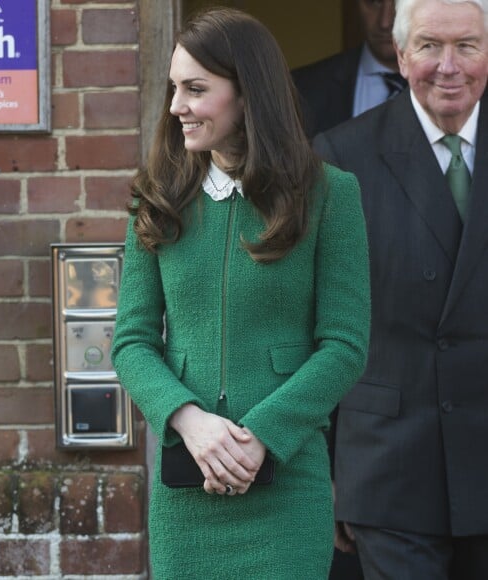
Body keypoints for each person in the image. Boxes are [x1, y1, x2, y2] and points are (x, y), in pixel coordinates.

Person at [110, 8, 370, 579]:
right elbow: (130, 341)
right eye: (174, 87)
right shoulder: (156, 198)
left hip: (287, 485)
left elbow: (345, 344)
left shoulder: (331, 196)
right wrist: (189, 421)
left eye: (196, 89)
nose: (177, 105)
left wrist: (262, 437)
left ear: (248, 94)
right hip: (186, 486)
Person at [314, 0, 488, 578]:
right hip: (388, 466)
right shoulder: (341, 156)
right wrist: (328, 464)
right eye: (430, 46)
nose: (449, 66)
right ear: (400, 51)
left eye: (467, 46)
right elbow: (317, 322)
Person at [292, 0, 404, 137]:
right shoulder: (299, 89)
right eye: (373, 2)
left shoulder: (437, 87)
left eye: (399, 3)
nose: (385, 22)